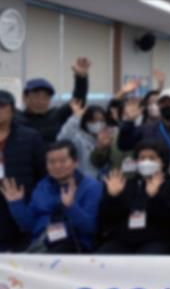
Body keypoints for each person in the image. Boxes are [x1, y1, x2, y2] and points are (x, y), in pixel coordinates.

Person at [98, 140, 170, 254]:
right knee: (102, 255)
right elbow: (109, 218)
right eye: (142, 158)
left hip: (159, 240)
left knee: (149, 255)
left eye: (152, 158)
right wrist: (113, 197)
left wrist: (155, 197)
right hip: (124, 239)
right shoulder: (125, 184)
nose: (146, 162)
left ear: (162, 162)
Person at [7, 140, 101, 253]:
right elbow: (29, 226)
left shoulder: (91, 186)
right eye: (51, 162)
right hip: (41, 242)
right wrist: (16, 204)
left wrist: (71, 206)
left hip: (74, 246)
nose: (57, 166)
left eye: (63, 161)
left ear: (75, 162)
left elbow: (91, 228)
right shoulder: (42, 186)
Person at [0, 90, 45, 251]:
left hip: (22, 203)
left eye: (2, 106)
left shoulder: (30, 137)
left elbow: (42, 173)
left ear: (12, 109)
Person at [17, 57, 90, 144]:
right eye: (36, 96)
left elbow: (78, 102)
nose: (40, 101)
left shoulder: (56, 115)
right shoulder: (16, 118)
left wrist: (81, 78)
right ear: (24, 97)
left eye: (45, 97)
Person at [57, 101, 108, 178]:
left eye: (101, 120)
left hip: (104, 181)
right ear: (85, 121)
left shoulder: (108, 138)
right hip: (83, 181)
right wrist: (76, 117)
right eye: (93, 121)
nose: (98, 124)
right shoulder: (79, 138)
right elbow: (62, 139)